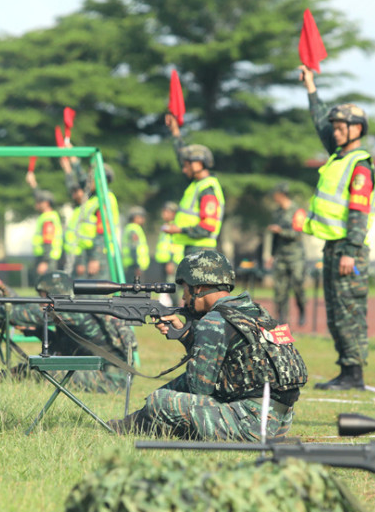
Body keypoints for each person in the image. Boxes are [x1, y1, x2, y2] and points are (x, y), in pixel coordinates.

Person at [108, 250, 307, 441]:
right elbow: (232, 364)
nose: (184, 297)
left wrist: (197, 335)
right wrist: (187, 335)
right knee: (179, 385)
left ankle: (135, 425)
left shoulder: (213, 321)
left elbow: (199, 388)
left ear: (199, 287)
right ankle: (131, 424)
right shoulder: (255, 311)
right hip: (279, 423)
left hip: (252, 425)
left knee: (159, 400)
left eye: (185, 288)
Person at [298, 66, 375, 391]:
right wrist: (311, 87)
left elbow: (358, 212)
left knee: (349, 313)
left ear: (357, 128)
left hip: (348, 249)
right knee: (335, 313)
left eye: (341, 126)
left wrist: (350, 251)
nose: (335, 130)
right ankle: (346, 370)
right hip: (333, 246)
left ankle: (354, 374)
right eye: (335, 126)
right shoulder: (338, 157)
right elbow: (319, 121)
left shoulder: (359, 165)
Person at [4, 271, 138, 394]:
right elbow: (63, 344)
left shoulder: (71, 310)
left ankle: (0, 376)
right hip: (106, 372)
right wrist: (37, 331)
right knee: (38, 368)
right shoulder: (77, 306)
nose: (40, 301)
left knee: (41, 371)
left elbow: (21, 314)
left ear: (54, 292)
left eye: (42, 296)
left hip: (111, 380)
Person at [163, 114, 225, 256]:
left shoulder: (207, 189)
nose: (184, 169)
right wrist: (175, 132)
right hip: (194, 249)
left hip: (201, 251)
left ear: (198, 163)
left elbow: (207, 227)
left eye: (187, 166)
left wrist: (179, 230)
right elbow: (182, 157)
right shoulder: (197, 185)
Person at [265, 182, 308, 326]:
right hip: (281, 256)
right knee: (280, 290)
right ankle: (282, 319)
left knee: (297, 286)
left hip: (296, 257)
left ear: (282, 194)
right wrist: (272, 254)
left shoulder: (297, 211)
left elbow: (298, 234)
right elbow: (274, 237)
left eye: (276, 194)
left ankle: (302, 311)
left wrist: (280, 231)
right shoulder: (277, 212)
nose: (274, 197)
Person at [77, 164, 120, 279]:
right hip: (91, 252)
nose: (88, 181)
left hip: (100, 253)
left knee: (96, 293)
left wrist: (96, 258)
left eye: (92, 178)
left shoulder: (105, 199)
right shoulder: (96, 198)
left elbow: (102, 231)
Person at [31, 189, 63, 281]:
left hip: (47, 258)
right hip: (47, 257)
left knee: (46, 287)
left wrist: (45, 262)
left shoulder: (48, 218)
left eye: (39, 202)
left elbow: (48, 241)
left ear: (46, 203)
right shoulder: (48, 216)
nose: (36, 204)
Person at [122, 206, 151, 282]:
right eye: (141, 216)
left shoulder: (130, 228)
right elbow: (133, 248)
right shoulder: (134, 229)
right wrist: (137, 267)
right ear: (135, 217)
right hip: (134, 266)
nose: (143, 219)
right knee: (135, 290)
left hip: (132, 265)